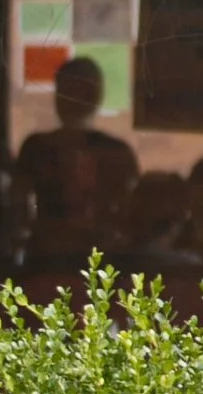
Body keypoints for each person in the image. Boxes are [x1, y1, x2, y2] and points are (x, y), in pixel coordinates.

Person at [14, 55, 139, 285]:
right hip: (63, 261)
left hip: (67, 260)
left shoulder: (38, 148)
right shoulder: (116, 152)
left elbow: (19, 208)